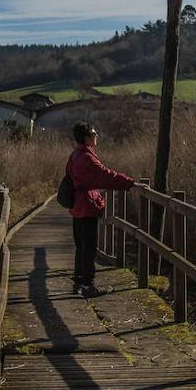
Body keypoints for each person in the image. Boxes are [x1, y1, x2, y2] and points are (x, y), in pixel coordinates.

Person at [65, 122, 135, 298]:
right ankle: (88, 285)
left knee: (81, 246)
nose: (97, 136)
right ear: (87, 137)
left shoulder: (76, 154)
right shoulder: (87, 157)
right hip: (86, 206)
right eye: (94, 133)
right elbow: (105, 175)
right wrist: (129, 183)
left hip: (77, 206)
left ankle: (79, 283)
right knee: (89, 247)